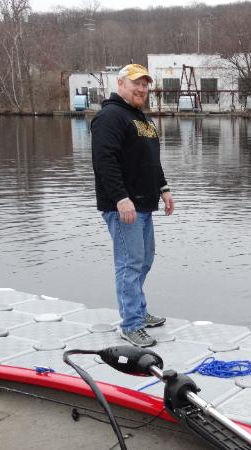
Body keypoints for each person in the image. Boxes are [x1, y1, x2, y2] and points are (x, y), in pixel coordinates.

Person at [91, 64, 175, 348]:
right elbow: (104, 161)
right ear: (120, 84)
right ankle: (130, 324)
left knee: (144, 261)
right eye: (136, 83)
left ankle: (138, 311)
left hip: (144, 204)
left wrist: (164, 189)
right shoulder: (110, 116)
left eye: (145, 84)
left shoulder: (142, 119)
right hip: (124, 207)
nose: (141, 89)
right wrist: (120, 198)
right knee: (129, 264)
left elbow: (151, 159)